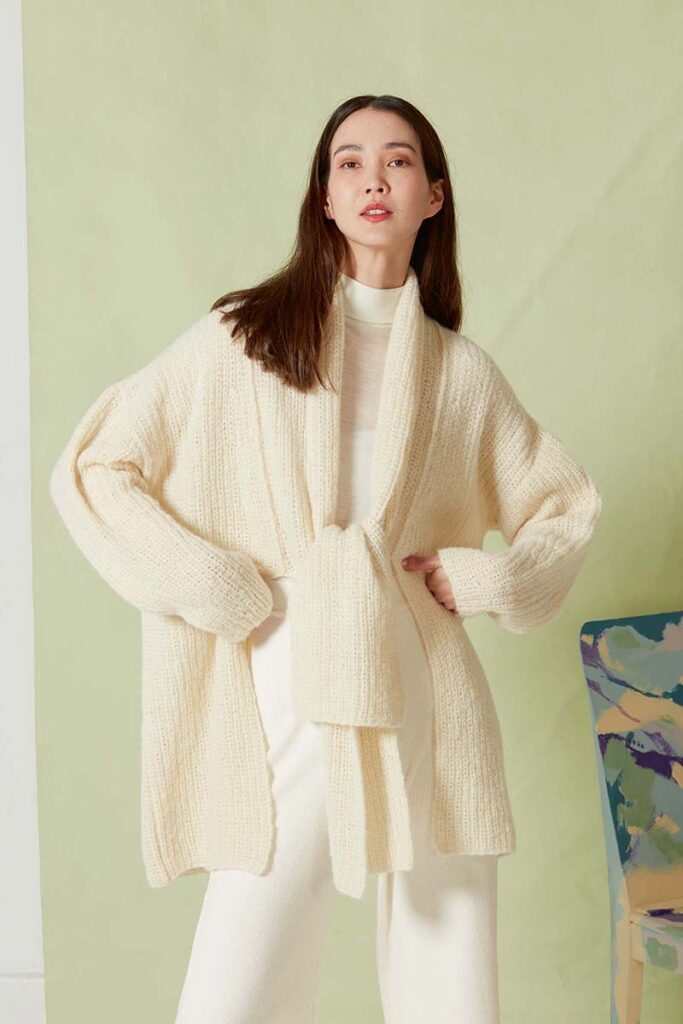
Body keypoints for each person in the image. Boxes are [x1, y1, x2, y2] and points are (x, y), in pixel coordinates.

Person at [50, 94, 603, 1023]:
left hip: (423, 671)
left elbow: (564, 505)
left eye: (397, 160)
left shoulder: (458, 372)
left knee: (447, 957)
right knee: (249, 949)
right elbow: (97, 465)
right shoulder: (246, 338)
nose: (372, 179)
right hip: (290, 657)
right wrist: (213, 583)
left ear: (433, 195)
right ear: (324, 197)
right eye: (348, 163)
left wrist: (487, 578)